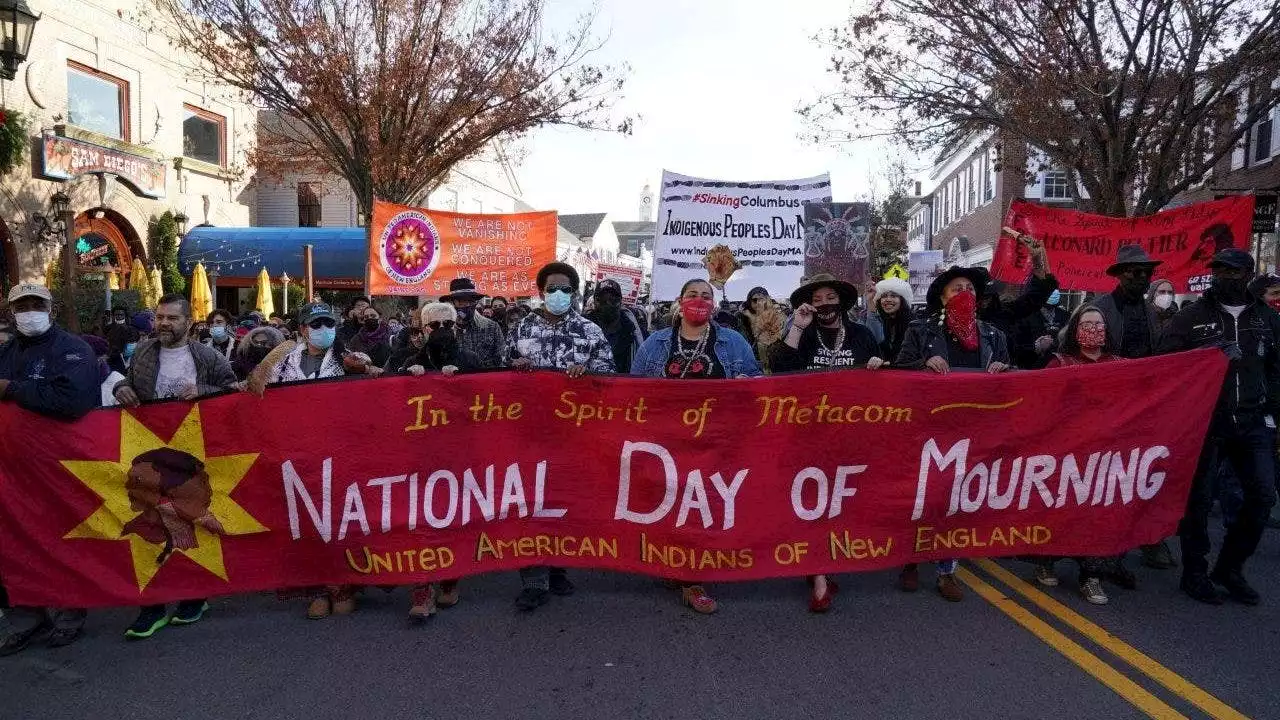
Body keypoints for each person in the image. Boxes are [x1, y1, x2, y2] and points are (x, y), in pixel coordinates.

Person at [630, 278, 761, 614]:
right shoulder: (657, 342)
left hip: (716, 439)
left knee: (702, 504)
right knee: (670, 502)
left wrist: (748, 384)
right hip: (667, 439)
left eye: (706, 296)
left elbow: (757, 379)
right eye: (692, 295)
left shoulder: (732, 341)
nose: (699, 301)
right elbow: (632, 388)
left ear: (714, 305)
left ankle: (692, 575)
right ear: (680, 300)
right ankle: (677, 562)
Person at [112, 294, 239, 639]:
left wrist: (205, 389)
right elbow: (124, 381)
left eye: (171, 318)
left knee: (189, 525)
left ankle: (193, 596)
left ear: (189, 322)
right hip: (149, 452)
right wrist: (123, 388)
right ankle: (151, 606)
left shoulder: (208, 356)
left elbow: (233, 392)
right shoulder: (142, 353)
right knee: (150, 524)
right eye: (159, 317)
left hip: (193, 456)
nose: (164, 323)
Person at [1159, 249, 1280, 605]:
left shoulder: (1266, 319)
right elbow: (1166, 367)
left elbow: (1276, 368)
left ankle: (1230, 567)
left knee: (1262, 496)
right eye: (1219, 271)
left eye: (1233, 271)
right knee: (1199, 500)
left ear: (1247, 274)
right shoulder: (1191, 318)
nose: (1224, 277)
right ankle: (1194, 572)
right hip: (1207, 423)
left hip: (1254, 422)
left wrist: (1272, 409)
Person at [896, 267, 1013, 602]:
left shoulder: (993, 335)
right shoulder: (921, 330)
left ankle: (947, 569)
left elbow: (1013, 376)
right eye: (956, 288)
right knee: (923, 496)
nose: (964, 293)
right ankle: (911, 558)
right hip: (930, 426)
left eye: (970, 288)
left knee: (957, 499)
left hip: (973, 427)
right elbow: (899, 371)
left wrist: (1004, 370)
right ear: (943, 297)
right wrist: (923, 362)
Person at [507, 262, 614, 611]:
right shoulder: (520, 328)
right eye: (552, 288)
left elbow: (609, 378)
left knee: (564, 502)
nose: (559, 294)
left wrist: (587, 375)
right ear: (540, 292)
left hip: (573, 436)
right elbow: (498, 376)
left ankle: (558, 567)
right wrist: (515, 369)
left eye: (566, 289)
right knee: (530, 504)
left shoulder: (591, 331)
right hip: (528, 435)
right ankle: (534, 578)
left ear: (575, 292)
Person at [0, 284, 98, 655]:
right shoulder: (6, 352)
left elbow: (73, 401)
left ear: (51, 309)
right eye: (21, 305)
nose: (29, 311)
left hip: (59, 468)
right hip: (12, 470)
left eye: (35, 304)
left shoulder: (73, 350)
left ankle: (68, 614)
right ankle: (28, 618)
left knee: (62, 540)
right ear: (11, 312)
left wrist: (12, 389)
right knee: (15, 544)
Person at [266, 302, 364, 617]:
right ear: (303, 329)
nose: (324, 330)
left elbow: (373, 378)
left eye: (328, 323)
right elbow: (258, 390)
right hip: (297, 448)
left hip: (340, 448)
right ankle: (319, 588)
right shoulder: (283, 361)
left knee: (340, 519)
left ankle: (345, 584)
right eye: (316, 324)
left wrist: (361, 368)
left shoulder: (349, 358)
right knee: (307, 519)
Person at [1091, 245, 1176, 572]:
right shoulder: (1098, 310)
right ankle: (1108, 545)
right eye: (1134, 272)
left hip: (1147, 408)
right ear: (1119, 274)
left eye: (1146, 273)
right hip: (1110, 408)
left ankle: (1149, 537)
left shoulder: (1154, 314)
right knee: (1113, 476)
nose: (1141, 278)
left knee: (1147, 472)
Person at [1033, 305, 1122, 604]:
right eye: (1087, 323)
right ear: (1074, 329)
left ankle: (1092, 576)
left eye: (1099, 323)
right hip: (1067, 452)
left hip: (1105, 455)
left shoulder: (1121, 365)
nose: (1094, 328)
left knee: (1099, 515)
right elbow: (1042, 404)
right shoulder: (1060, 363)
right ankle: (1047, 560)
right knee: (1061, 509)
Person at [772, 274, 883, 373]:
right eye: (817, 300)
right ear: (810, 304)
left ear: (840, 301)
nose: (825, 303)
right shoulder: (803, 336)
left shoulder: (861, 334)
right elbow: (780, 371)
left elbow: (879, 372)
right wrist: (797, 326)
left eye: (831, 298)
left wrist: (876, 363)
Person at [973, 236, 1058, 338]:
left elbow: (1034, 299)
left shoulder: (1004, 313)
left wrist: (1037, 260)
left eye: (988, 297)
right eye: (981, 297)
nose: (985, 302)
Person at [442, 278, 506, 368]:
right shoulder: (444, 330)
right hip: (455, 380)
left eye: (471, 300)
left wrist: (479, 367)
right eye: (461, 301)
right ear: (452, 303)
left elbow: (503, 358)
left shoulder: (491, 327)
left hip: (484, 379)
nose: (467, 304)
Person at [586, 279, 646, 374]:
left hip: (623, 386)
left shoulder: (635, 332)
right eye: (601, 300)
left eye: (613, 300)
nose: (607, 304)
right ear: (594, 301)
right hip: (588, 385)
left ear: (620, 302)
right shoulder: (581, 327)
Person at [1012, 289, 1069, 370]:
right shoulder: (1026, 317)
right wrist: (1036, 347)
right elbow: (1016, 347)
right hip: (1033, 367)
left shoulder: (1065, 316)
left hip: (1058, 365)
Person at [864, 278, 915, 364]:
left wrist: (891, 363)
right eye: (884, 296)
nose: (888, 299)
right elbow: (874, 340)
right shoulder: (882, 321)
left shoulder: (914, 325)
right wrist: (870, 300)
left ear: (902, 300)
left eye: (893, 296)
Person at [346, 304, 392, 369]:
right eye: (366, 317)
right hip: (363, 376)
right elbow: (350, 360)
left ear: (380, 318)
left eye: (373, 316)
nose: (369, 318)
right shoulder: (356, 339)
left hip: (386, 375)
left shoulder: (390, 336)